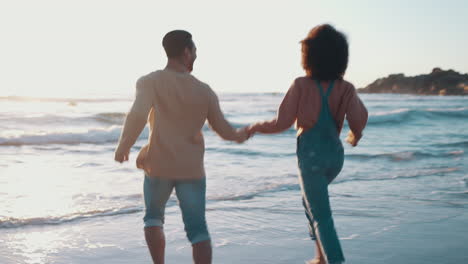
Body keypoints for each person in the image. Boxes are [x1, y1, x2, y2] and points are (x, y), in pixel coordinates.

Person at [114, 30, 249, 264]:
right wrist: (244, 134)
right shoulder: (205, 91)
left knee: (153, 219)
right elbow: (225, 130)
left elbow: (137, 115)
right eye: (195, 51)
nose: (196, 55)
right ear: (186, 52)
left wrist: (123, 146)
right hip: (191, 170)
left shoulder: (149, 82)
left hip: (158, 165)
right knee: (198, 231)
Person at [247, 24, 368, 264]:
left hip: (311, 158)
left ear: (308, 55)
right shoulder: (346, 88)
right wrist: (355, 135)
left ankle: (334, 260)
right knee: (311, 202)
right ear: (341, 58)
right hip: (335, 157)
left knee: (321, 214)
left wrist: (255, 127)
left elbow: (281, 123)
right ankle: (319, 257)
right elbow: (359, 118)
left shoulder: (301, 85)